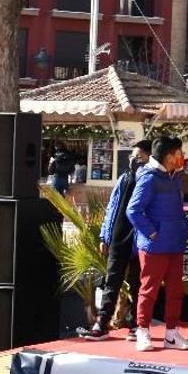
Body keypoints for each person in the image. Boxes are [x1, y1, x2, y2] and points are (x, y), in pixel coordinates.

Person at [78, 140, 153, 340]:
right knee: (112, 282)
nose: (133, 160)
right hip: (119, 237)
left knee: (138, 284)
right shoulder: (124, 177)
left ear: (149, 158)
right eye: (132, 156)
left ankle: (136, 325)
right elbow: (112, 207)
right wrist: (105, 235)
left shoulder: (151, 179)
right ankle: (102, 323)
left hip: (140, 239)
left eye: (139, 157)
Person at [127, 137, 188, 352]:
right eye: (178, 153)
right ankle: (142, 331)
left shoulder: (174, 176)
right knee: (149, 290)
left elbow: (177, 208)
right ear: (168, 156)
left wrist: (184, 229)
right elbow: (133, 210)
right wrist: (153, 233)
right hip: (154, 246)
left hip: (174, 242)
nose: (181, 157)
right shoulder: (149, 178)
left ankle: (172, 334)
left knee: (176, 291)